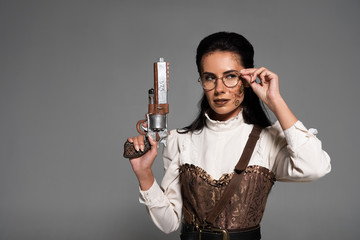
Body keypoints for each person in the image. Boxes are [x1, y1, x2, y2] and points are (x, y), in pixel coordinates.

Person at [127, 32, 331, 240]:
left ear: (246, 79)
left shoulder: (268, 140)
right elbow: (168, 223)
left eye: (230, 76)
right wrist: (144, 174)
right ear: (201, 81)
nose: (219, 89)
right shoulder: (180, 140)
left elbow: (315, 168)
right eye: (209, 78)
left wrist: (275, 101)